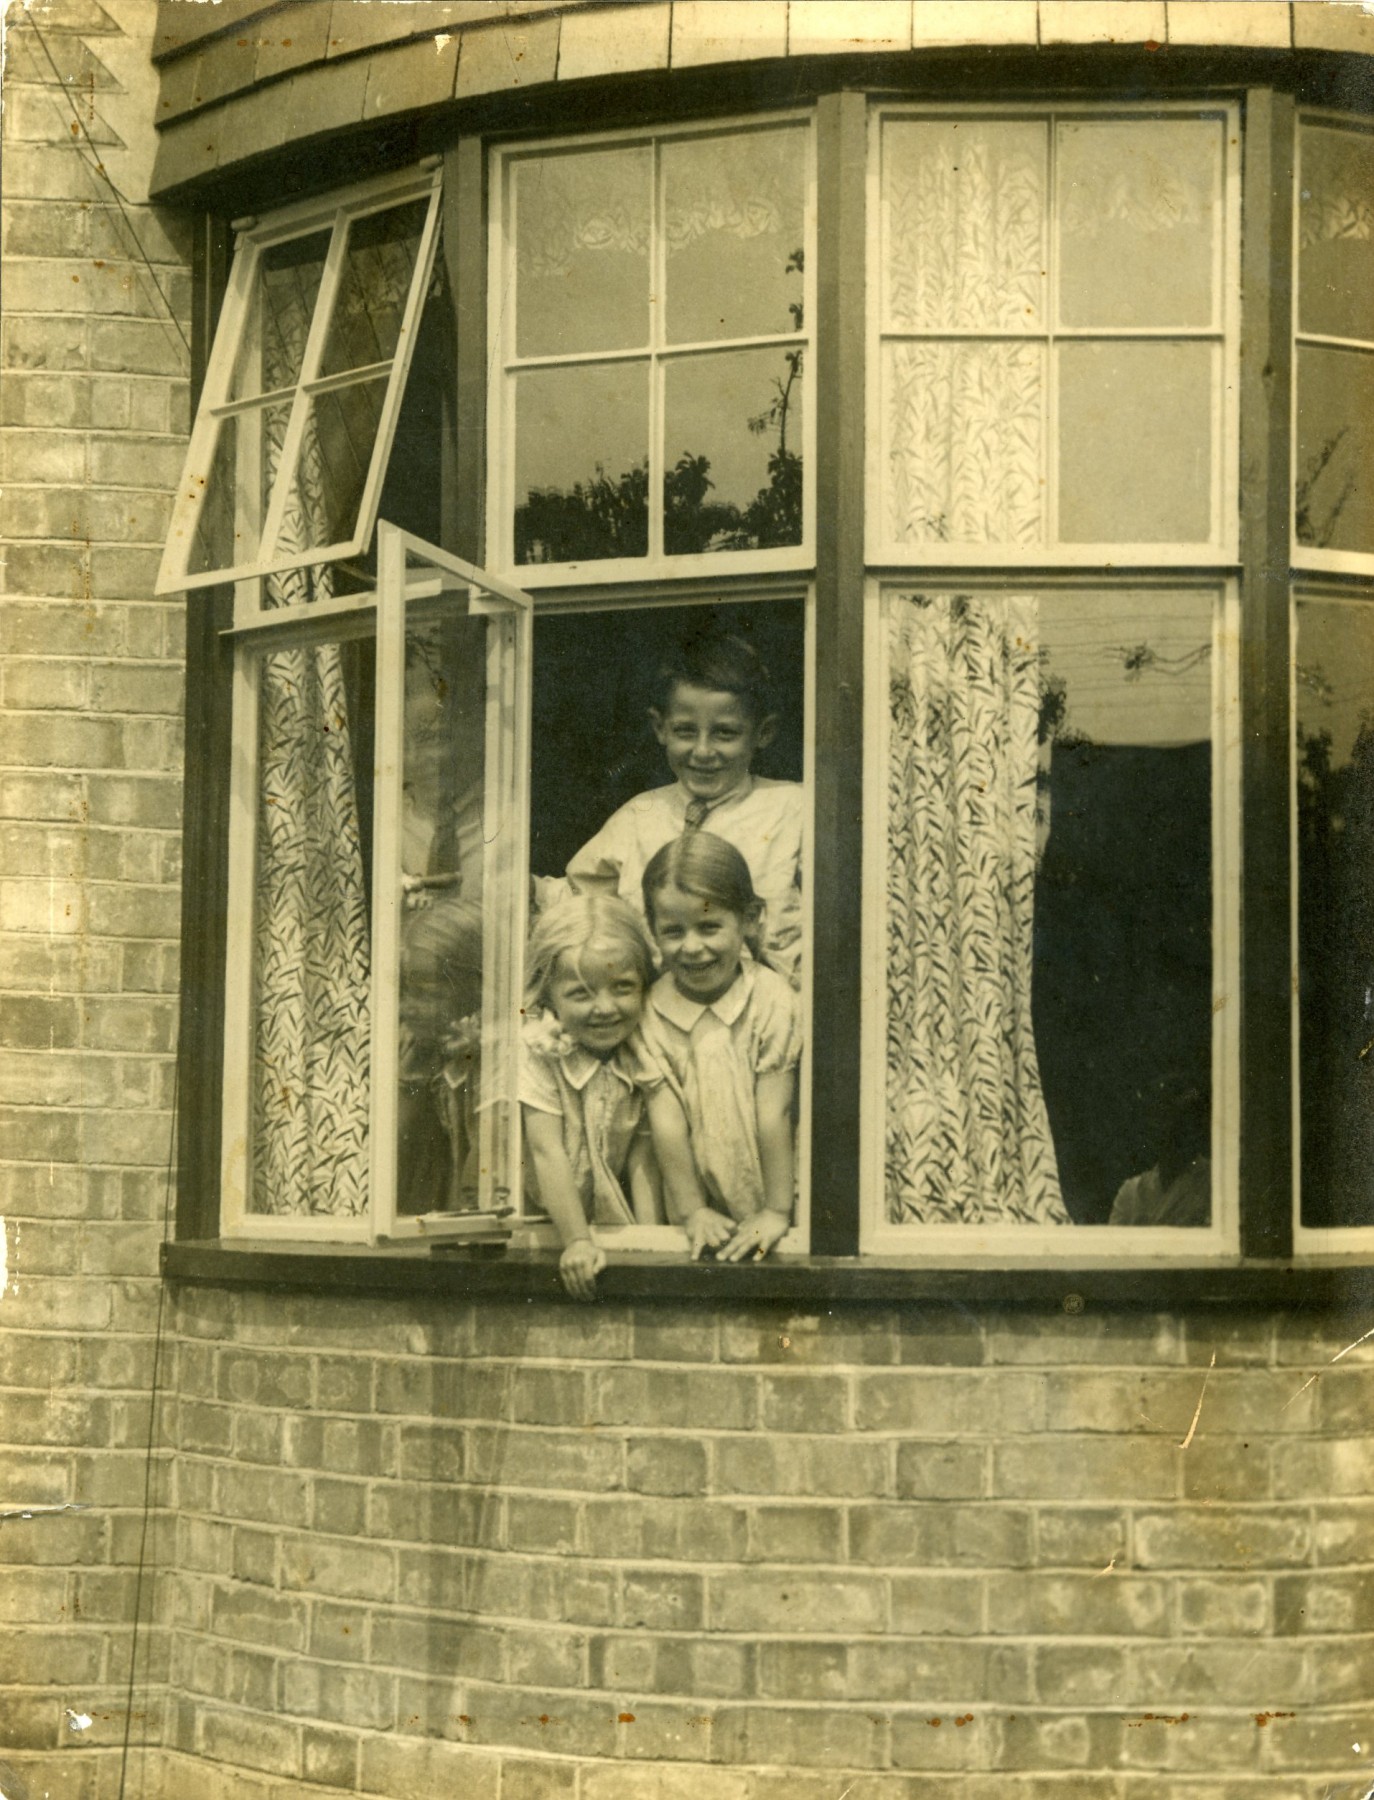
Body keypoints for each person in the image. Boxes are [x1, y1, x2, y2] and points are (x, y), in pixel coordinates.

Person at [563, 629, 804, 989]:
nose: (703, 751)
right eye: (685, 731)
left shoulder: (796, 810)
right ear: (660, 728)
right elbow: (575, 907)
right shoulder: (637, 817)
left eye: (725, 733)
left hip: (766, 1020)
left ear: (763, 733)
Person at [520, 895, 703, 1300]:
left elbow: (642, 1155)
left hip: (604, 1230)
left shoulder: (639, 1047)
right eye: (582, 994)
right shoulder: (538, 1054)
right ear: (549, 994)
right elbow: (545, 1150)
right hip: (544, 1229)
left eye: (622, 988)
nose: (605, 1008)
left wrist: (649, 1241)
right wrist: (577, 1241)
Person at [639, 831, 801, 1263]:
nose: (692, 947)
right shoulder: (651, 1012)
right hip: (698, 1213)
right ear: (652, 930)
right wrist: (693, 1211)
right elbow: (666, 1121)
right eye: (673, 931)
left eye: (709, 927)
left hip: (780, 1202)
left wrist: (777, 1210)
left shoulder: (770, 998)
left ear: (748, 919)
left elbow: (775, 1112)